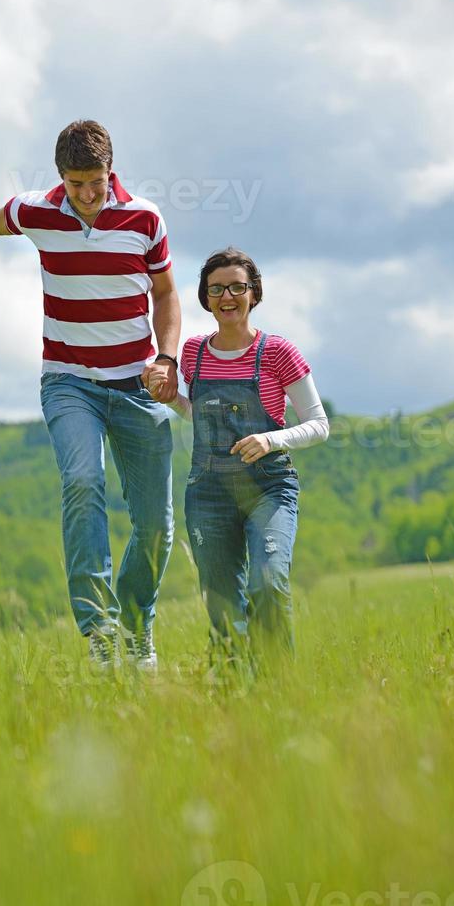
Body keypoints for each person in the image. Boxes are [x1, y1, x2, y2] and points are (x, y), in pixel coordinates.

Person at [0, 120, 181, 670]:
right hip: (69, 382)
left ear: (111, 171)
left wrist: (165, 357)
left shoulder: (144, 218)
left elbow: (165, 293)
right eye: (76, 184)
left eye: (97, 181)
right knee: (82, 479)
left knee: (157, 523)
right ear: (60, 178)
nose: (88, 195)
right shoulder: (36, 211)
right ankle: (99, 630)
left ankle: (139, 627)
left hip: (136, 386)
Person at [146, 247, 329, 676]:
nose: (226, 296)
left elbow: (319, 424)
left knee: (268, 582)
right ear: (205, 298)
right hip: (208, 491)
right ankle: (232, 691)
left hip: (268, 487)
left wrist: (270, 438)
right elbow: (202, 415)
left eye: (236, 287)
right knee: (221, 600)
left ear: (254, 293)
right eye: (216, 289)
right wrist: (171, 397)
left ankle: (277, 685)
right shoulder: (192, 353)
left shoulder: (279, 351)